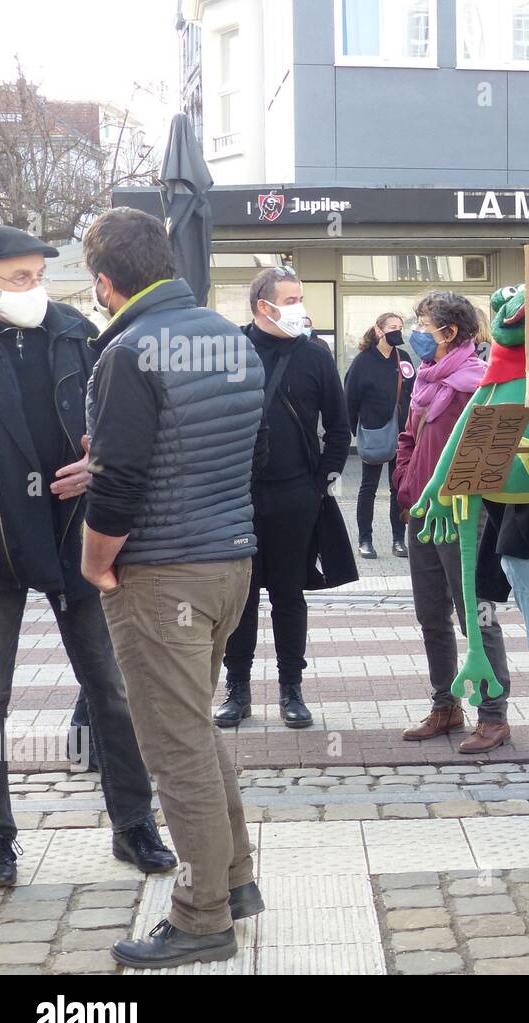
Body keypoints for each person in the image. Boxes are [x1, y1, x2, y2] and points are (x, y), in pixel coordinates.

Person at [80, 207, 265, 967]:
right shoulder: (229, 337)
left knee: (175, 742)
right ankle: (237, 879)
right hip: (230, 561)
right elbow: (199, 447)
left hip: (160, 572)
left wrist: (95, 561)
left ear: (104, 282)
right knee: (198, 727)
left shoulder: (128, 350)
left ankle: (200, 916)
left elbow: (121, 480)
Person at [0, 224, 175, 889]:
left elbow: (119, 420)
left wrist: (97, 465)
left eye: (38, 273)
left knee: (113, 689)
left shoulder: (75, 329)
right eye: (17, 277)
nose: (32, 287)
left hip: (73, 533)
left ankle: (134, 823)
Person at [214, 267, 350, 731]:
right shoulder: (230, 348)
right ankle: (238, 688)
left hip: (297, 495)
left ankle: (291, 688)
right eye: (290, 298)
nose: (299, 307)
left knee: (289, 596)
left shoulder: (315, 354)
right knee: (242, 596)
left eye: (300, 296)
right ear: (262, 306)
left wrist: (320, 482)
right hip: (237, 495)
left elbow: (338, 425)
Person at [394, 291, 512, 755]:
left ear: (451, 331)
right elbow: (408, 437)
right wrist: (405, 487)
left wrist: (457, 498)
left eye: (424, 324)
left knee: (477, 618)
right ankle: (445, 705)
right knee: (430, 617)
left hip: (464, 519)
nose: (416, 332)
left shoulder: (477, 383)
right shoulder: (426, 378)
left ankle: (492, 714)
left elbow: (489, 455)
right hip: (421, 515)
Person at [346, 312, 414, 560]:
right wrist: (357, 431)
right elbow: (349, 398)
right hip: (374, 431)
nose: (398, 331)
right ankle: (365, 539)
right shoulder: (363, 361)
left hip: (402, 433)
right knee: (368, 487)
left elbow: (414, 392)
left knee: (399, 487)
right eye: (392, 327)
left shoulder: (403, 358)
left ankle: (398, 539)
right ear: (378, 330)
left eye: (400, 327)